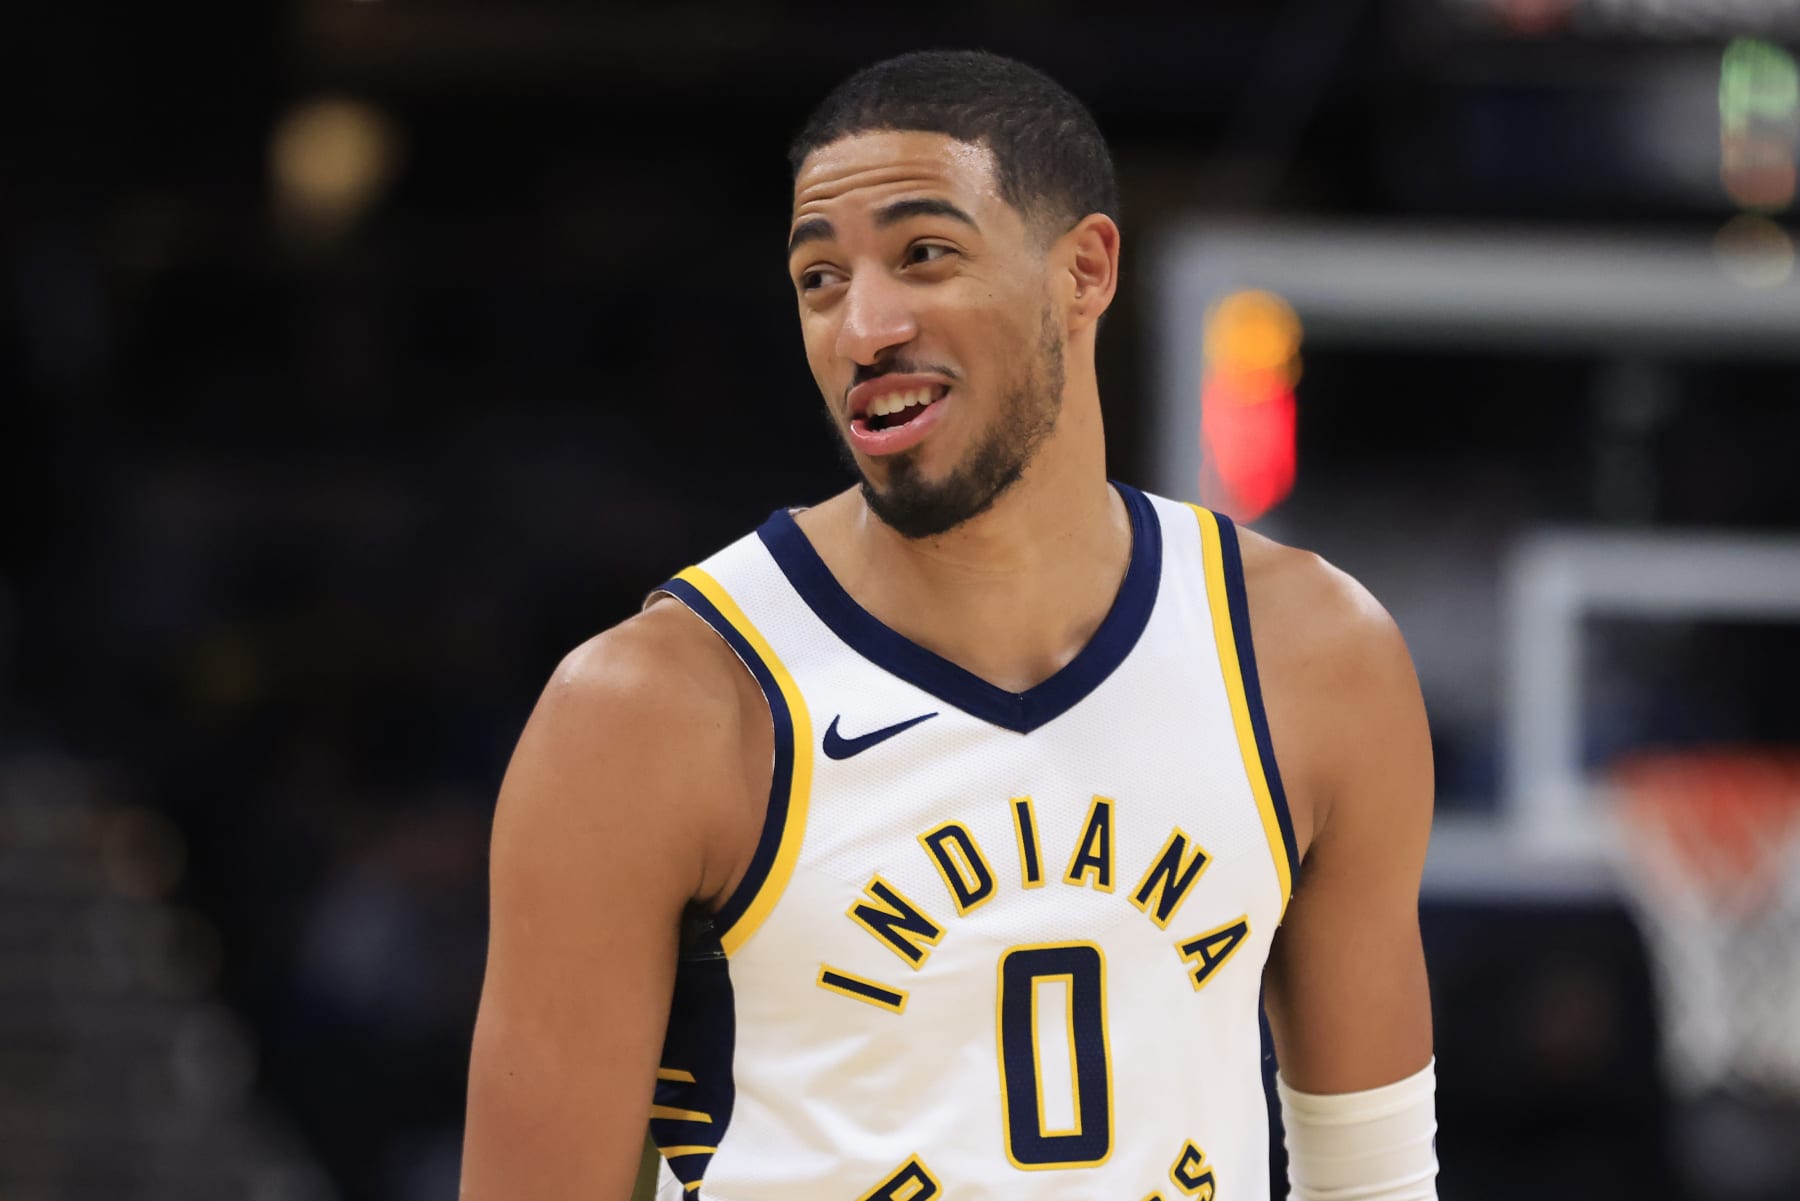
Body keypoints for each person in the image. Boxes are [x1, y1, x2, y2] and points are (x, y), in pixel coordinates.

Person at [461, 49, 1438, 1201]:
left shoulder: (1313, 658)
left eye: (924, 255)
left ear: (1083, 271)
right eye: (820, 279)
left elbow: (1373, 1184)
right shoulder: (652, 709)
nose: (863, 325)